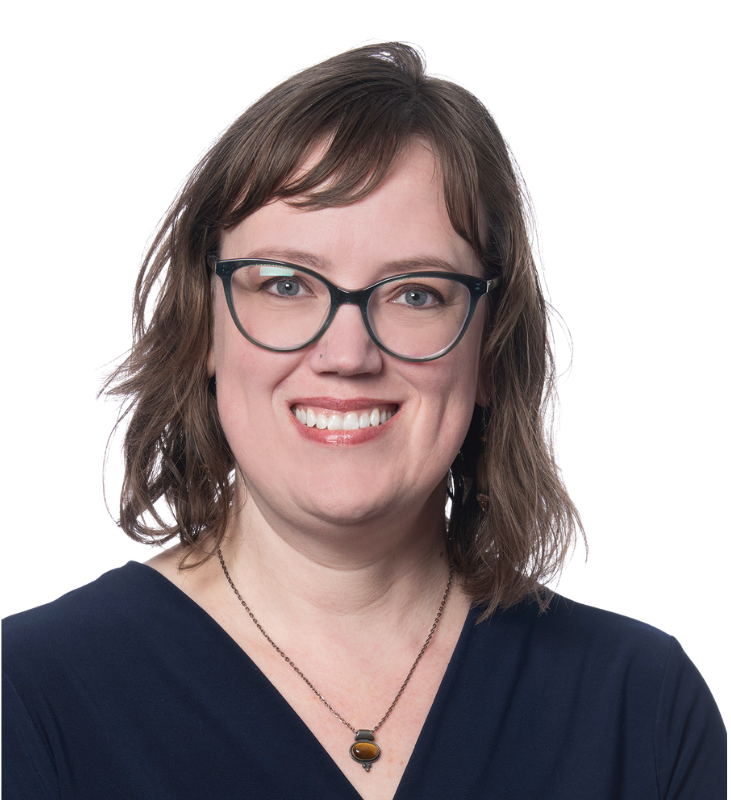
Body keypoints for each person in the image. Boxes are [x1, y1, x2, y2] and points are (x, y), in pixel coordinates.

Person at [2, 39, 726, 800]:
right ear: (203, 327)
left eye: (415, 293)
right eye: (284, 284)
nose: (346, 354)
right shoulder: (26, 696)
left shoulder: (641, 708)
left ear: (488, 350)